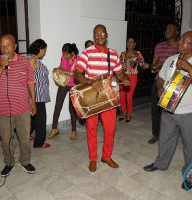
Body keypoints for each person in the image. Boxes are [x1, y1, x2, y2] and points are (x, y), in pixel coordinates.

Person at [143, 31, 192, 191]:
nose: (179, 42)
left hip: (190, 112)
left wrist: (189, 68)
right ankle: (161, 164)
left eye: (184, 40)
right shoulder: (170, 60)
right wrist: (160, 88)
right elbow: (160, 77)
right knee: (166, 140)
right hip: (168, 110)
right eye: (180, 39)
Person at [74, 24, 130, 172]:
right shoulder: (87, 53)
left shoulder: (113, 53)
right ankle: (93, 158)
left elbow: (119, 73)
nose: (99, 36)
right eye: (96, 34)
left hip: (108, 97)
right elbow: (77, 73)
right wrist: (90, 81)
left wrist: (124, 78)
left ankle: (106, 156)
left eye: (102, 33)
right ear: (94, 37)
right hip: (92, 97)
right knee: (91, 129)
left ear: (106, 35)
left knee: (110, 128)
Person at [0, 34, 37, 177]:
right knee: (6, 140)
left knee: (25, 138)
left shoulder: (24, 62)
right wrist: (1, 68)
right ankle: (9, 163)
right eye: (1, 45)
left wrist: (33, 101)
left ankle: (25, 161)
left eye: (8, 45)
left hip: (23, 109)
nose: (5, 48)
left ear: (15, 46)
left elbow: (30, 82)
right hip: (2, 111)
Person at [148, 22, 180, 144]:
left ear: (176, 32)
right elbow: (153, 66)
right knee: (156, 110)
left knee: (171, 111)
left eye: (170, 29)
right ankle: (156, 134)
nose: (167, 30)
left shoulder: (180, 47)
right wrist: (156, 66)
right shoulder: (159, 46)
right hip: (158, 81)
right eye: (166, 28)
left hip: (174, 84)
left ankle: (169, 136)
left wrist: (161, 66)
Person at [47, 43, 79, 140]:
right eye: (63, 54)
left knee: (72, 108)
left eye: (66, 55)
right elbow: (61, 67)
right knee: (58, 106)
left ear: (72, 53)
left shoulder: (78, 60)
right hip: (63, 84)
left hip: (74, 85)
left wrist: (66, 72)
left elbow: (79, 74)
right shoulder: (63, 57)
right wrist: (57, 69)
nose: (64, 56)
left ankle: (74, 131)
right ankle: (54, 129)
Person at [119, 37, 149, 122]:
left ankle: (129, 114)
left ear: (134, 44)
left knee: (128, 97)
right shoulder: (123, 54)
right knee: (122, 96)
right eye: (128, 42)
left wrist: (145, 65)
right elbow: (118, 66)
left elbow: (142, 64)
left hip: (132, 77)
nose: (129, 43)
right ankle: (123, 114)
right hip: (123, 77)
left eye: (132, 42)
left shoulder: (137, 54)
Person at [27, 39, 51, 148]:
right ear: (39, 49)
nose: (45, 53)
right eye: (44, 50)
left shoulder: (34, 59)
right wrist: (31, 99)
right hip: (37, 95)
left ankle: (26, 135)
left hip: (39, 94)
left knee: (34, 118)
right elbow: (29, 78)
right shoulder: (32, 59)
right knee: (41, 119)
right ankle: (39, 142)